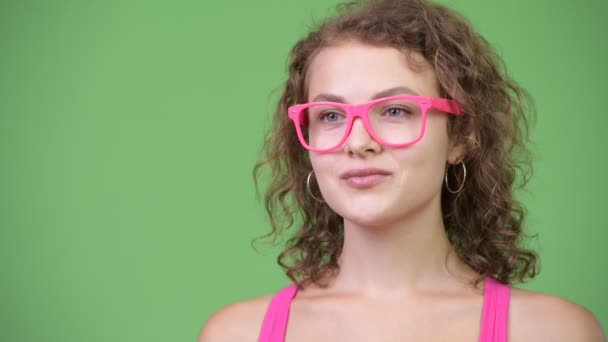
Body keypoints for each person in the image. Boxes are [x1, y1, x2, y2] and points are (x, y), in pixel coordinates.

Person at [199, 0, 605, 341]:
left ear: (461, 135)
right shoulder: (235, 333)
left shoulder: (554, 331)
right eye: (330, 115)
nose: (358, 142)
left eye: (395, 110)